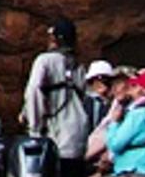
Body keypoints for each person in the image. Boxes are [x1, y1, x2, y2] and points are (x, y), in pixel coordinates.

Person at [20, 19, 95, 163]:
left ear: (56, 39)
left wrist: (35, 128)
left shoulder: (45, 60)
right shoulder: (79, 66)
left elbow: (34, 91)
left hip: (55, 136)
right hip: (78, 135)